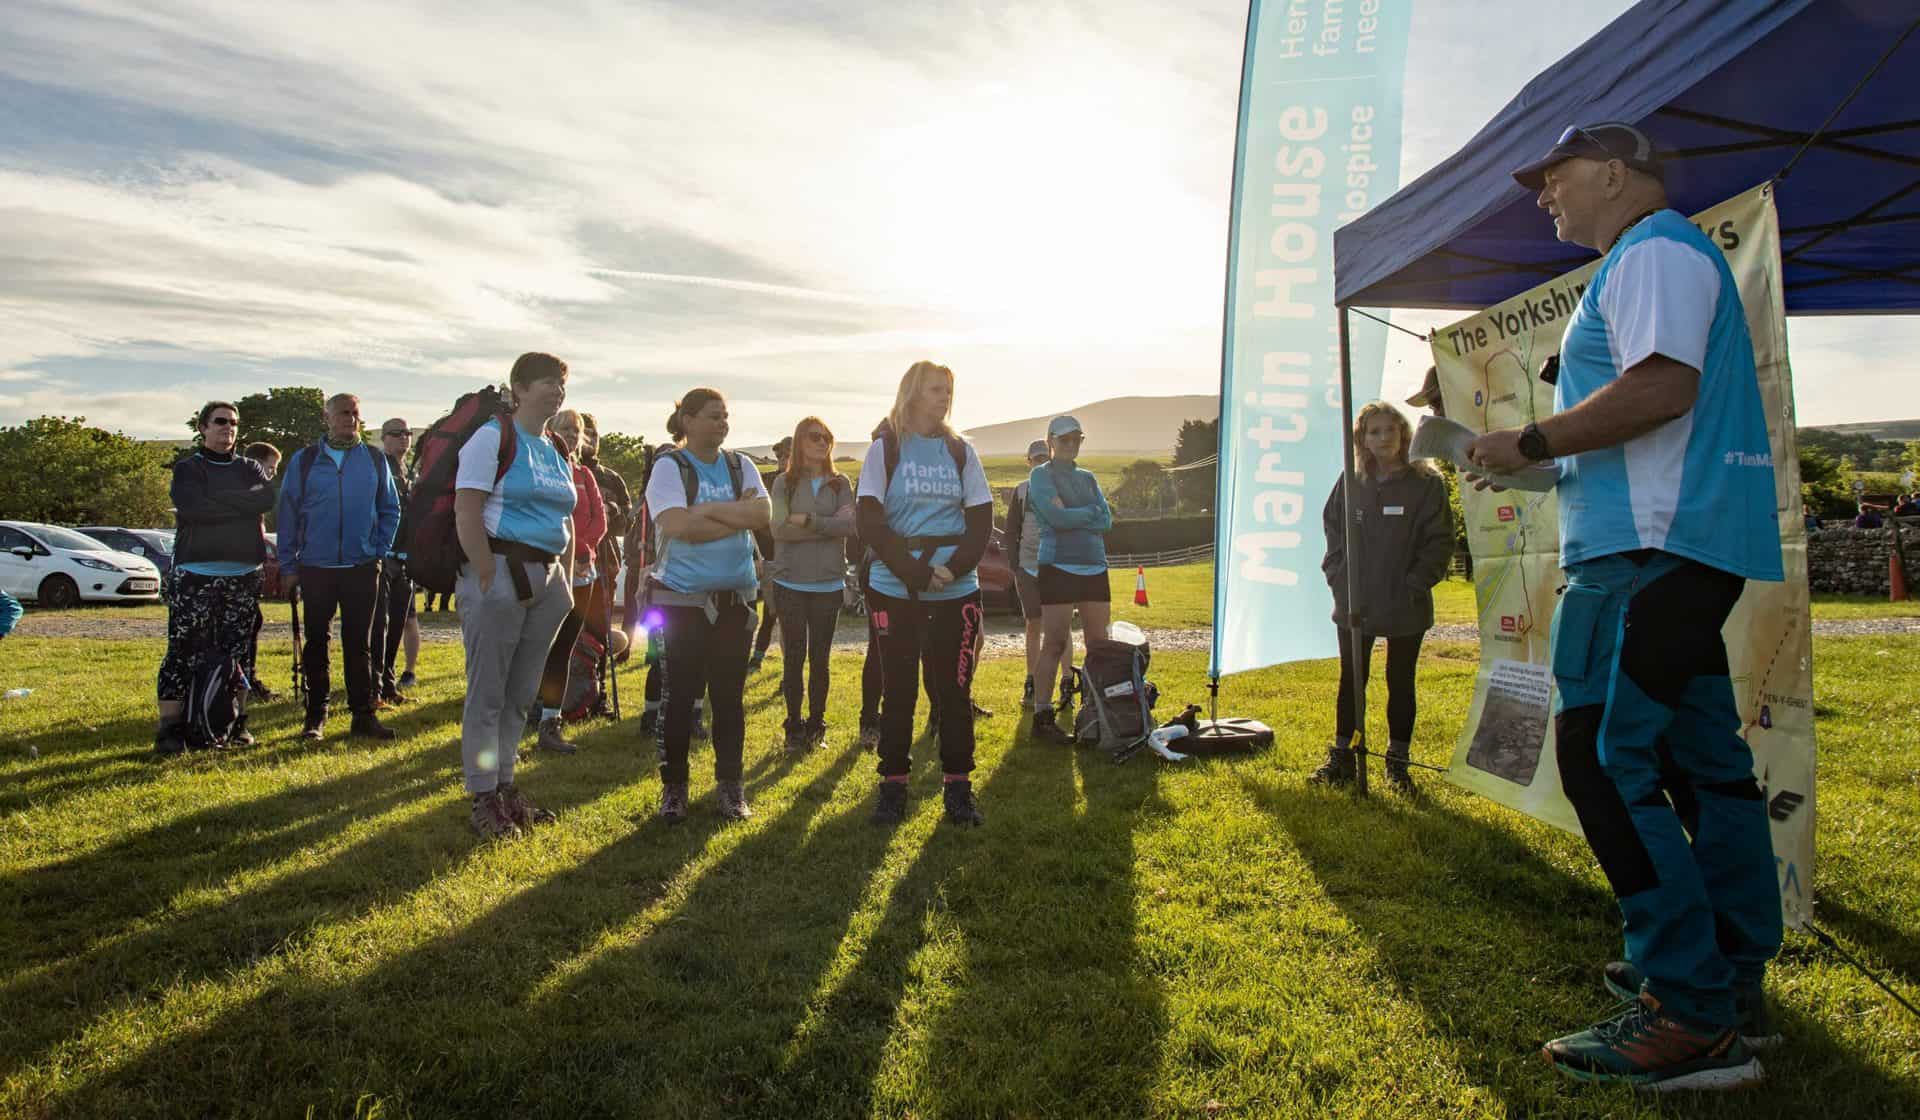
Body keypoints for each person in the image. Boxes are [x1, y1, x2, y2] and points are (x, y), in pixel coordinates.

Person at [1466, 121, 1785, 1090]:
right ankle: (1725, 978)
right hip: (1662, 542)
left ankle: (1687, 1012)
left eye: (1552, 177)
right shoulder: (1653, 256)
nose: (1541, 197)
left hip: (1647, 554)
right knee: (1704, 765)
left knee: (1605, 763)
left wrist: (1527, 438)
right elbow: (1636, 414)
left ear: (1613, 171)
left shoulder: (1650, 249)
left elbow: (1662, 388)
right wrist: (1535, 462)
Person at [858, 361, 993, 827]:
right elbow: (870, 519)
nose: (945, 398)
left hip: (956, 590)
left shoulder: (961, 452)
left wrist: (952, 569)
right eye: (936, 390)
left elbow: (981, 521)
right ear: (913, 394)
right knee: (898, 693)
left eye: (949, 390)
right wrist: (915, 573)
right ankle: (892, 788)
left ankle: (959, 790)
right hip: (896, 589)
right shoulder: (887, 448)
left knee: (954, 692)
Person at [453, 352, 578, 839]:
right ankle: (483, 796)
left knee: (520, 696)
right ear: (519, 389)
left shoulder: (555, 447)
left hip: (546, 581)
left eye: (562, 384)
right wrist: (485, 570)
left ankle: (506, 786)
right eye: (547, 382)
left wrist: (562, 577)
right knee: (488, 693)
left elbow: (564, 516)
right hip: (500, 573)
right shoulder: (493, 438)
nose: (557, 391)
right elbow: (468, 508)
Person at [1312, 401, 1453, 792]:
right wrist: (1337, 576)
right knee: (1352, 679)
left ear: (1404, 434)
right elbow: (1333, 528)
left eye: (1390, 430)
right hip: (1356, 600)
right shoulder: (1352, 479)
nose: (1383, 438)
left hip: (1406, 603)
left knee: (1400, 681)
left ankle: (1397, 762)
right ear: (1362, 438)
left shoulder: (1426, 482)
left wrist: (1415, 583)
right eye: (1374, 432)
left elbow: (1440, 541)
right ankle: (1342, 756)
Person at [644, 388, 770, 822]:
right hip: (683, 601)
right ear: (688, 420)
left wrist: (711, 511)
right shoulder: (669, 467)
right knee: (679, 696)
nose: (723, 424)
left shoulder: (741, 465)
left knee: (729, 697)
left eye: (726, 416)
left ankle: (730, 788)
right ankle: (674, 788)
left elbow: (763, 515)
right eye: (714, 416)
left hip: (735, 600)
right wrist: (734, 516)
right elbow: (677, 525)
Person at [277, 393, 401, 741]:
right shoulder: (305, 461)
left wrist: (378, 550)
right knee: (317, 641)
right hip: (316, 566)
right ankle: (315, 716)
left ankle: (363, 716)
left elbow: (391, 509)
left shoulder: (375, 460)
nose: (350, 419)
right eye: (343, 413)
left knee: (359, 643)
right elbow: (286, 515)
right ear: (327, 417)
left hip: (362, 566)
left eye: (355, 413)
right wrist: (288, 565)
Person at [157, 402, 276, 754]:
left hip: (243, 574)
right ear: (203, 427)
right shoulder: (188, 468)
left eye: (234, 423)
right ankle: (170, 729)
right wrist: (242, 503)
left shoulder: (250, 467)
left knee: (238, 654)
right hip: (196, 573)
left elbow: (267, 498)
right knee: (182, 651)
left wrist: (216, 502)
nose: (229, 428)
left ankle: (234, 724)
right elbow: (192, 508)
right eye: (221, 422)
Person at [1026, 415, 1114, 746]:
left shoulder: (1088, 478)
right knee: (1055, 643)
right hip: (1058, 567)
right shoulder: (1040, 475)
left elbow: (1106, 520)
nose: (1071, 445)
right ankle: (1042, 716)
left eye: (1077, 439)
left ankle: (1095, 712)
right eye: (1064, 440)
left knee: (1098, 646)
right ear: (1050, 442)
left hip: (1094, 566)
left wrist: (1077, 514)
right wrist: (1086, 513)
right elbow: (1056, 518)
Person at [769, 417, 855, 750]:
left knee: (820, 659)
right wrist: (826, 527)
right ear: (800, 442)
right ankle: (793, 727)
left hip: (828, 585)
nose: (822, 443)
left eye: (827, 438)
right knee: (794, 657)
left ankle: (817, 726)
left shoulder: (840, 482)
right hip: (790, 583)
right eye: (814, 437)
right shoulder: (783, 484)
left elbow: (849, 525)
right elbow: (778, 530)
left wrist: (807, 520)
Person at [530, 408, 607, 754]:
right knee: (532, 649)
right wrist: (563, 553)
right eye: (565, 430)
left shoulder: (584, 474)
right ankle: (516, 717)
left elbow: (597, 520)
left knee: (565, 648)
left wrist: (580, 552)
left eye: (577, 432)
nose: (572, 438)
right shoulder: (539, 468)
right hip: (546, 569)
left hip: (582, 571)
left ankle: (551, 722)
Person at [1003, 438, 1073, 712]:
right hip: (1029, 569)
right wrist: (1015, 565)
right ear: (1028, 462)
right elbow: (1011, 531)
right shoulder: (1021, 492)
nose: (1041, 463)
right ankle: (1031, 682)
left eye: (1045, 458)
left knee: (1062, 627)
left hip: (1057, 568)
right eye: (1036, 459)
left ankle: (1067, 682)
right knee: (1033, 625)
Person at [368, 419, 421, 704]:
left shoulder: (408, 471)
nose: (404, 438)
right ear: (384, 438)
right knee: (380, 625)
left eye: (408, 433)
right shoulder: (379, 466)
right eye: (397, 433)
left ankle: (388, 685)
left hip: (405, 560)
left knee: (399, 623)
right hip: (384, 557)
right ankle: (374, 686)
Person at [747, 435, 793, 671]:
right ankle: (757, 657)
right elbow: (751, 520)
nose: (782, 460)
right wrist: (756, 556)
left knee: (786, 617)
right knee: (772, 612)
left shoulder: (801, 483)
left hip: (795, 558)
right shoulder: (766, 481)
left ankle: (788, 669)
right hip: (770, 558)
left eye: (787, 455)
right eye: (780, 456)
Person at [241, 440, 282, 701]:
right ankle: (244, 679)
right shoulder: (246, 491)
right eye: (271, 467)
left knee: (253, 622)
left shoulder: (258, 494)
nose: (274, 473)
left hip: (253, 566)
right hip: (239, 568)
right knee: (246, 624)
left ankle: (248, 676)